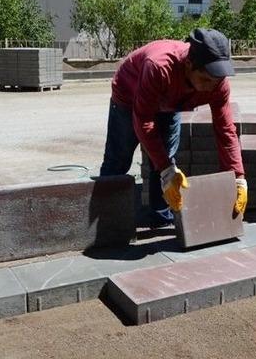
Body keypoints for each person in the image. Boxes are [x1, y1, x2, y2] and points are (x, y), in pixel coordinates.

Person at [99, 28, 247, 226]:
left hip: (170, 100)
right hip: (129, 96)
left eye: (216, 81)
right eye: (205, 80)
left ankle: (160, 216)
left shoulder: (217, 83)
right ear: (188, 64)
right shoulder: (159, 66)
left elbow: (225, 130)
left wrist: (238, 177)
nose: (211, 87)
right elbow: (143, 121)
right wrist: (166, 169)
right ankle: (106, 219)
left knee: (165, 157)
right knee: (119, 158)